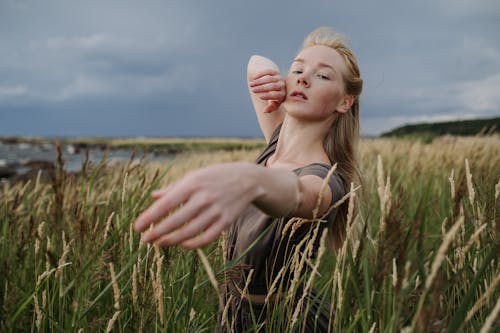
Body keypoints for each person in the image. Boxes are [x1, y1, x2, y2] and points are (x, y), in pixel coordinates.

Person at [134, 27, 363, 332]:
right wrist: (270, 77)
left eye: (322, 76)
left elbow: (300, 195)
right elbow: (254, 62)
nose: (303, 78)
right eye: (297, 69)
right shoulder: (276, 140)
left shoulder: (326, 178)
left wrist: (250, 179)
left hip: (282, 322)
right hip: (233, 311)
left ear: (344, 102)